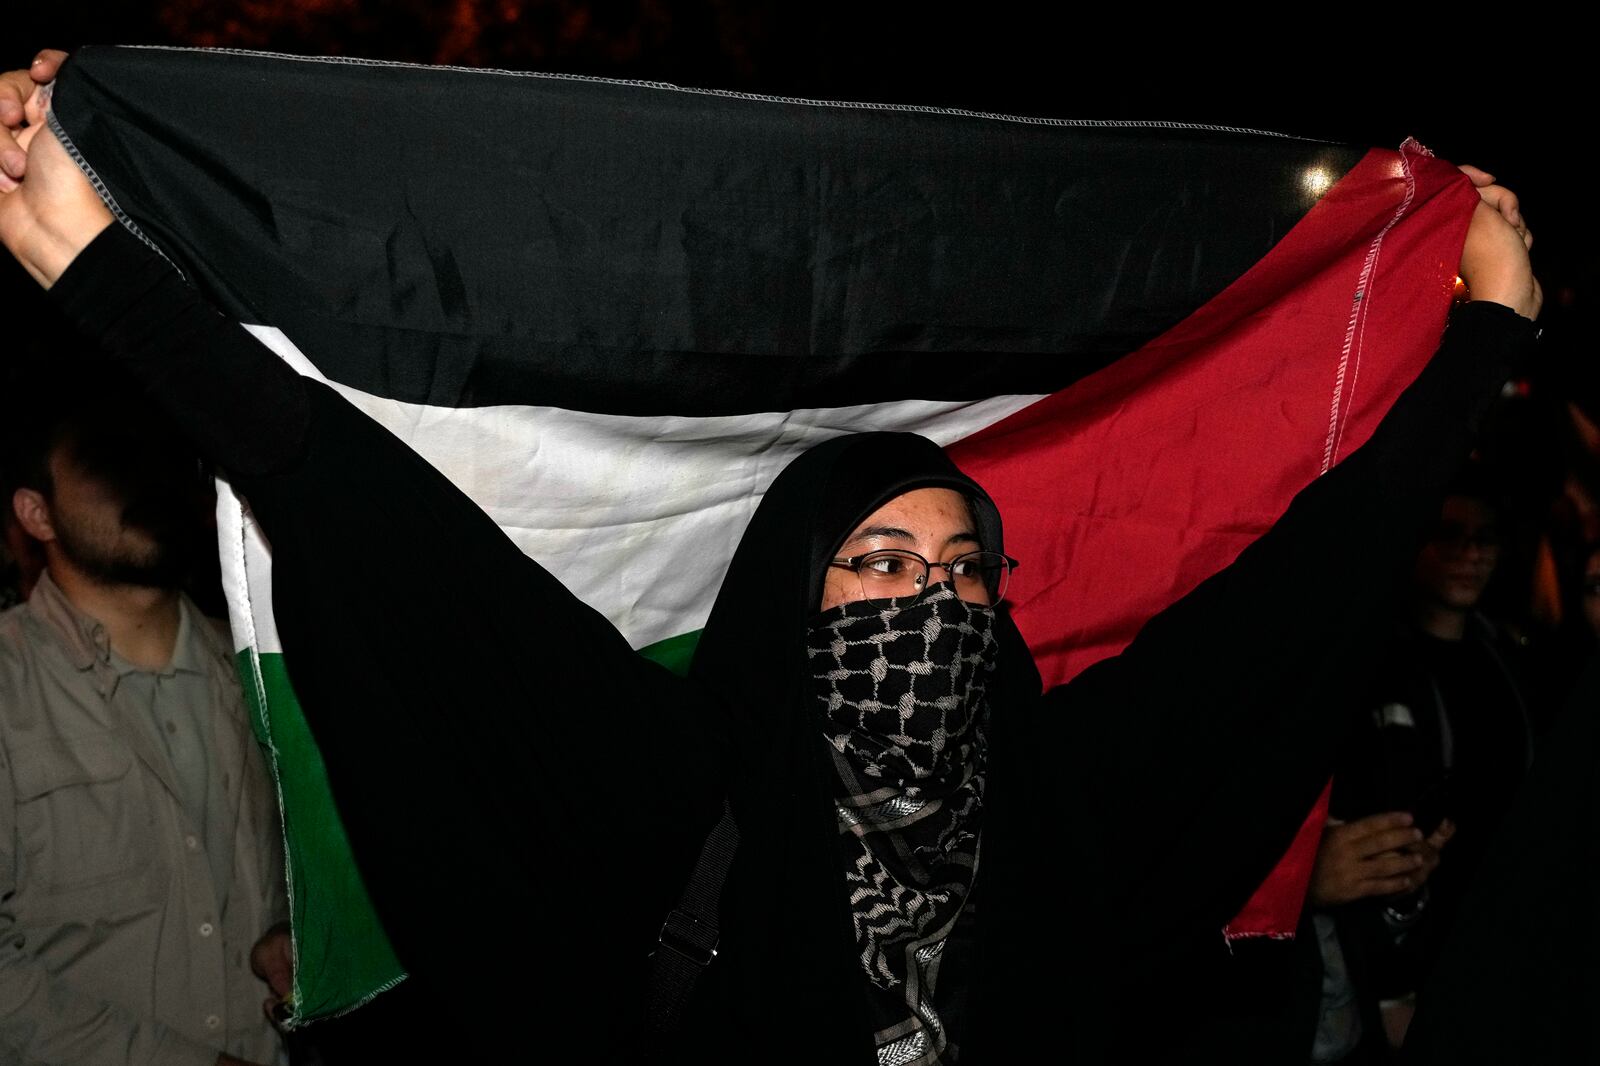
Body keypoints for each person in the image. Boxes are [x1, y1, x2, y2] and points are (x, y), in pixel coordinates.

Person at [0, 50, 1541, 1064]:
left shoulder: (1074, 811)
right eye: (874, 569)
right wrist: (98, 271)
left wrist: (1482, 340)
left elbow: (1298, 598)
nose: (929, 606)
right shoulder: (677, 800)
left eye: (962, 576)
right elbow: (372, 519)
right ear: (781, 604)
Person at [0, 379, 287, 1066]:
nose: (147, 481)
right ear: (37, 514)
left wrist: (293, 933)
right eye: (107, 462)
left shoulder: (264, 678)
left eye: (162, 456)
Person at [1303, 480, 1537, 1062]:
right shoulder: (1376, 666)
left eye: (1484, 539)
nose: (1469, 553)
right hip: (1410, 936)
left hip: (1499, 921)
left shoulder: (1509, 659)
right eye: (1449, 535)